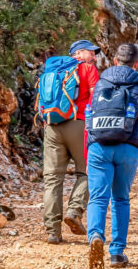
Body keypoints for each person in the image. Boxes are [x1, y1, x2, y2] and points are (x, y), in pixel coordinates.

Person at [83, 43, 138, 269]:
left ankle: (95, 236)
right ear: (136, 64)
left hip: (99, 146)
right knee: (120, 199)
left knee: (97, 197)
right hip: (128, 149)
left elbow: (88, 122)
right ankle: (116, 253)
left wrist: (87, 155)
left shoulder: (100, 84)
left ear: (114, 61)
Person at [37, 39, 101, 244]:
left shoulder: (52, 71)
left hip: (52, 126)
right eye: (92, 52)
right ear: (79, 54)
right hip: (79, 124)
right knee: (89, 171)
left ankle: (52, 232)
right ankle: (74, 211)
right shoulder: (87, 69)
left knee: (53, 180)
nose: (95, 56)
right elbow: (95, 99)